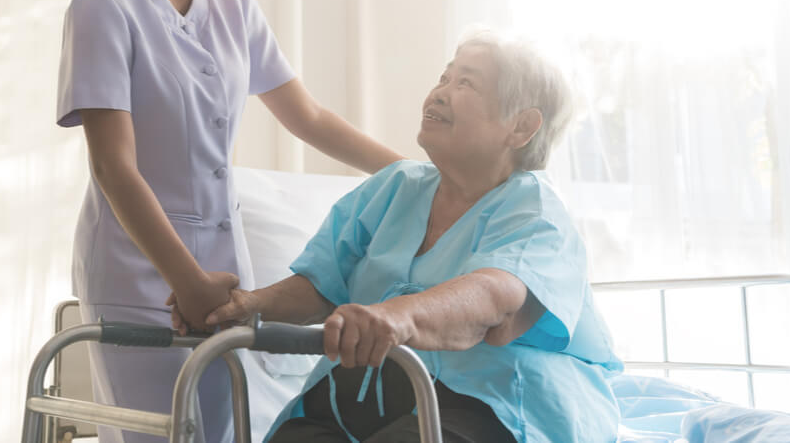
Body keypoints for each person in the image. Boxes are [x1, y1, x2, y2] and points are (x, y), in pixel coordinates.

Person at [55, 0, 402, 443]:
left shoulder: (233, 3)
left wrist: (413, 175)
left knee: (223, 429)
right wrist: (184, 282)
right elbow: (113, 167)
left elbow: (307, 116)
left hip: (223, 266)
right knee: (158, 434)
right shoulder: (103, 7)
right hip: (140, 266)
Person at [198, 28, 623, 443]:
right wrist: (248, 305)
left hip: (496, 403)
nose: (439, 92)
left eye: (466, 83)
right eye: (444, 77)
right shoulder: (393, 188)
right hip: (360, 397)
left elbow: (496, 297)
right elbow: (321, 285)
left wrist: (399, 315)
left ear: (521, 127)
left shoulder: (535, 211)